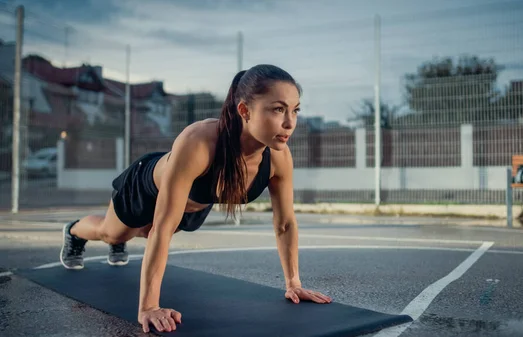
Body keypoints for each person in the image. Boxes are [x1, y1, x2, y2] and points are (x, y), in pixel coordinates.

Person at [59, 64, 333, 333]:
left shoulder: (278, 157)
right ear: (244, 110)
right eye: (278, 109)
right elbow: (163, 226)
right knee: (113, 234)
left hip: (194, 203)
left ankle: (129, 234)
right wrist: (149, 307)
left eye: (295, 111)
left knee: (142, 232)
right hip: (146, 188)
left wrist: (293, 283)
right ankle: (73, 232)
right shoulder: (199, 142)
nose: (289, 123)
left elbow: (285, 223)